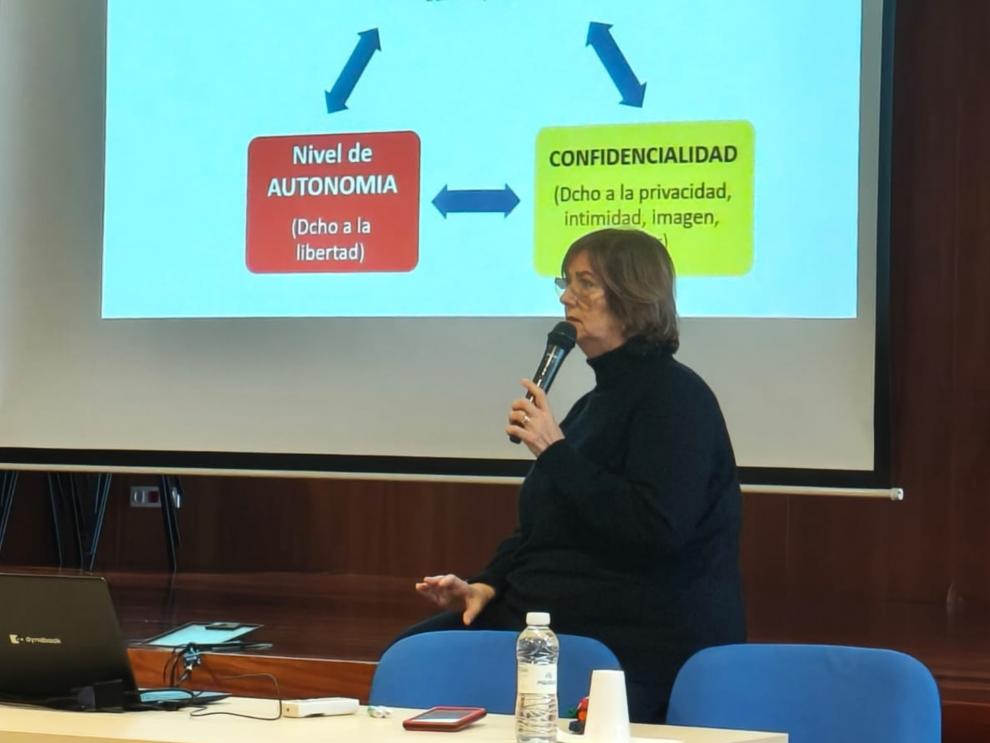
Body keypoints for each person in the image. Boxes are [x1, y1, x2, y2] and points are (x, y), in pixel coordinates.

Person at [398, 228, 745, 723]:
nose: (566, 297)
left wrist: (554, 450)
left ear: (632, 295)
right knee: (413, 660)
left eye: (586, 283)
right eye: (566, 282)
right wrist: (485, 586)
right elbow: (540, 529)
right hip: (547, 622)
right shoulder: (592, 406)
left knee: (432, 672)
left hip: (632, 644)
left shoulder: (676, 399)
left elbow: (656, 527)